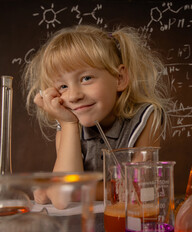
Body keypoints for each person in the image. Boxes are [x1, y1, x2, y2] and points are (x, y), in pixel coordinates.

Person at [23, 24, 170, 208]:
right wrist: (68, 125)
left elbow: (137, 189)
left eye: (86, 78)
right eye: (63, 87)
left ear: (119, 78)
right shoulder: (68, 120)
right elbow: (63, 199)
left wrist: (75, 190)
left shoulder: (146, 117)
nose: (74, 95)